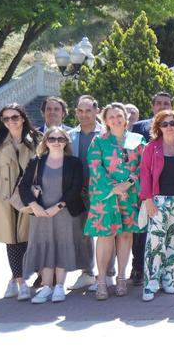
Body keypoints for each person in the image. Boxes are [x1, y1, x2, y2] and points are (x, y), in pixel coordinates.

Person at [84, 103, 144, 300]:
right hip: (105, 195)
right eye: (111, 117)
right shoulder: (98, 141)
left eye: (119, 116)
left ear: (126, 118)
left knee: (126, 235)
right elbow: (95, 166)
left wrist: (127, 184)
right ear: (105, 121)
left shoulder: (137, 139)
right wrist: (114, 187)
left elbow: (143, 165)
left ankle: (121, 277)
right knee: (106, 235)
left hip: (129, 194)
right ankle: (101, 280)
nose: (116, 120)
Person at [19, 126, 85, 303]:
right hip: (41, 213)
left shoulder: (74, 162)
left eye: (60, 139)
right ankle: (47, 286)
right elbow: (23, 186)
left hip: (65, 212)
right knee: (45, 247)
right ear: (46, 142)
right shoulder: (36, 162)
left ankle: (59, 286)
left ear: (66, 142)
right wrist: (34, 206)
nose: (56, 142)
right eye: (52, 139)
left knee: (62, 246)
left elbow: (76, 187)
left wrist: (59, 206)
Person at [0, 103, 37, 300]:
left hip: (29, 197)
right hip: (5, 198)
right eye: (6, 118)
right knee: (12, 239)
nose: (11, 121)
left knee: (26, 239)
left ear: (23, 118)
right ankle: (21, 282)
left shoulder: (35, 139)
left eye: (15, 117)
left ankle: (14, 279)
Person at [139, 109, 174, 301]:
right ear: (158, 127)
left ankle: (168, 279)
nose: (169, 127)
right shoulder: (151, 147)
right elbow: (144, 174)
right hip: (158, 200)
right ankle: (151, 283)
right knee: (155, 241)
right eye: (164, 124)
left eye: (172, 123)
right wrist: (147, 199)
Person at [129, 90, 174, 286]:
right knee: (142, 230)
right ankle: (139, 268)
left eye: (166, 103)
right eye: (158, 103)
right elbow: (133, 157)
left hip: (173, 188)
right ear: (152, 106)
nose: (162, 106)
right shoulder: (138, 127)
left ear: (172, 106)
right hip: (146, 188)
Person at [68, 95, 106, 290]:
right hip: (78, 192)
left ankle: (107, 274)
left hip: (101, 192)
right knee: (83, 233)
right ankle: (87, 273)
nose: (84, 115)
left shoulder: (106, 134)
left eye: (88, 110)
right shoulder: (70, 136)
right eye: (80, 111)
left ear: (97, 111)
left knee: (105, 233)